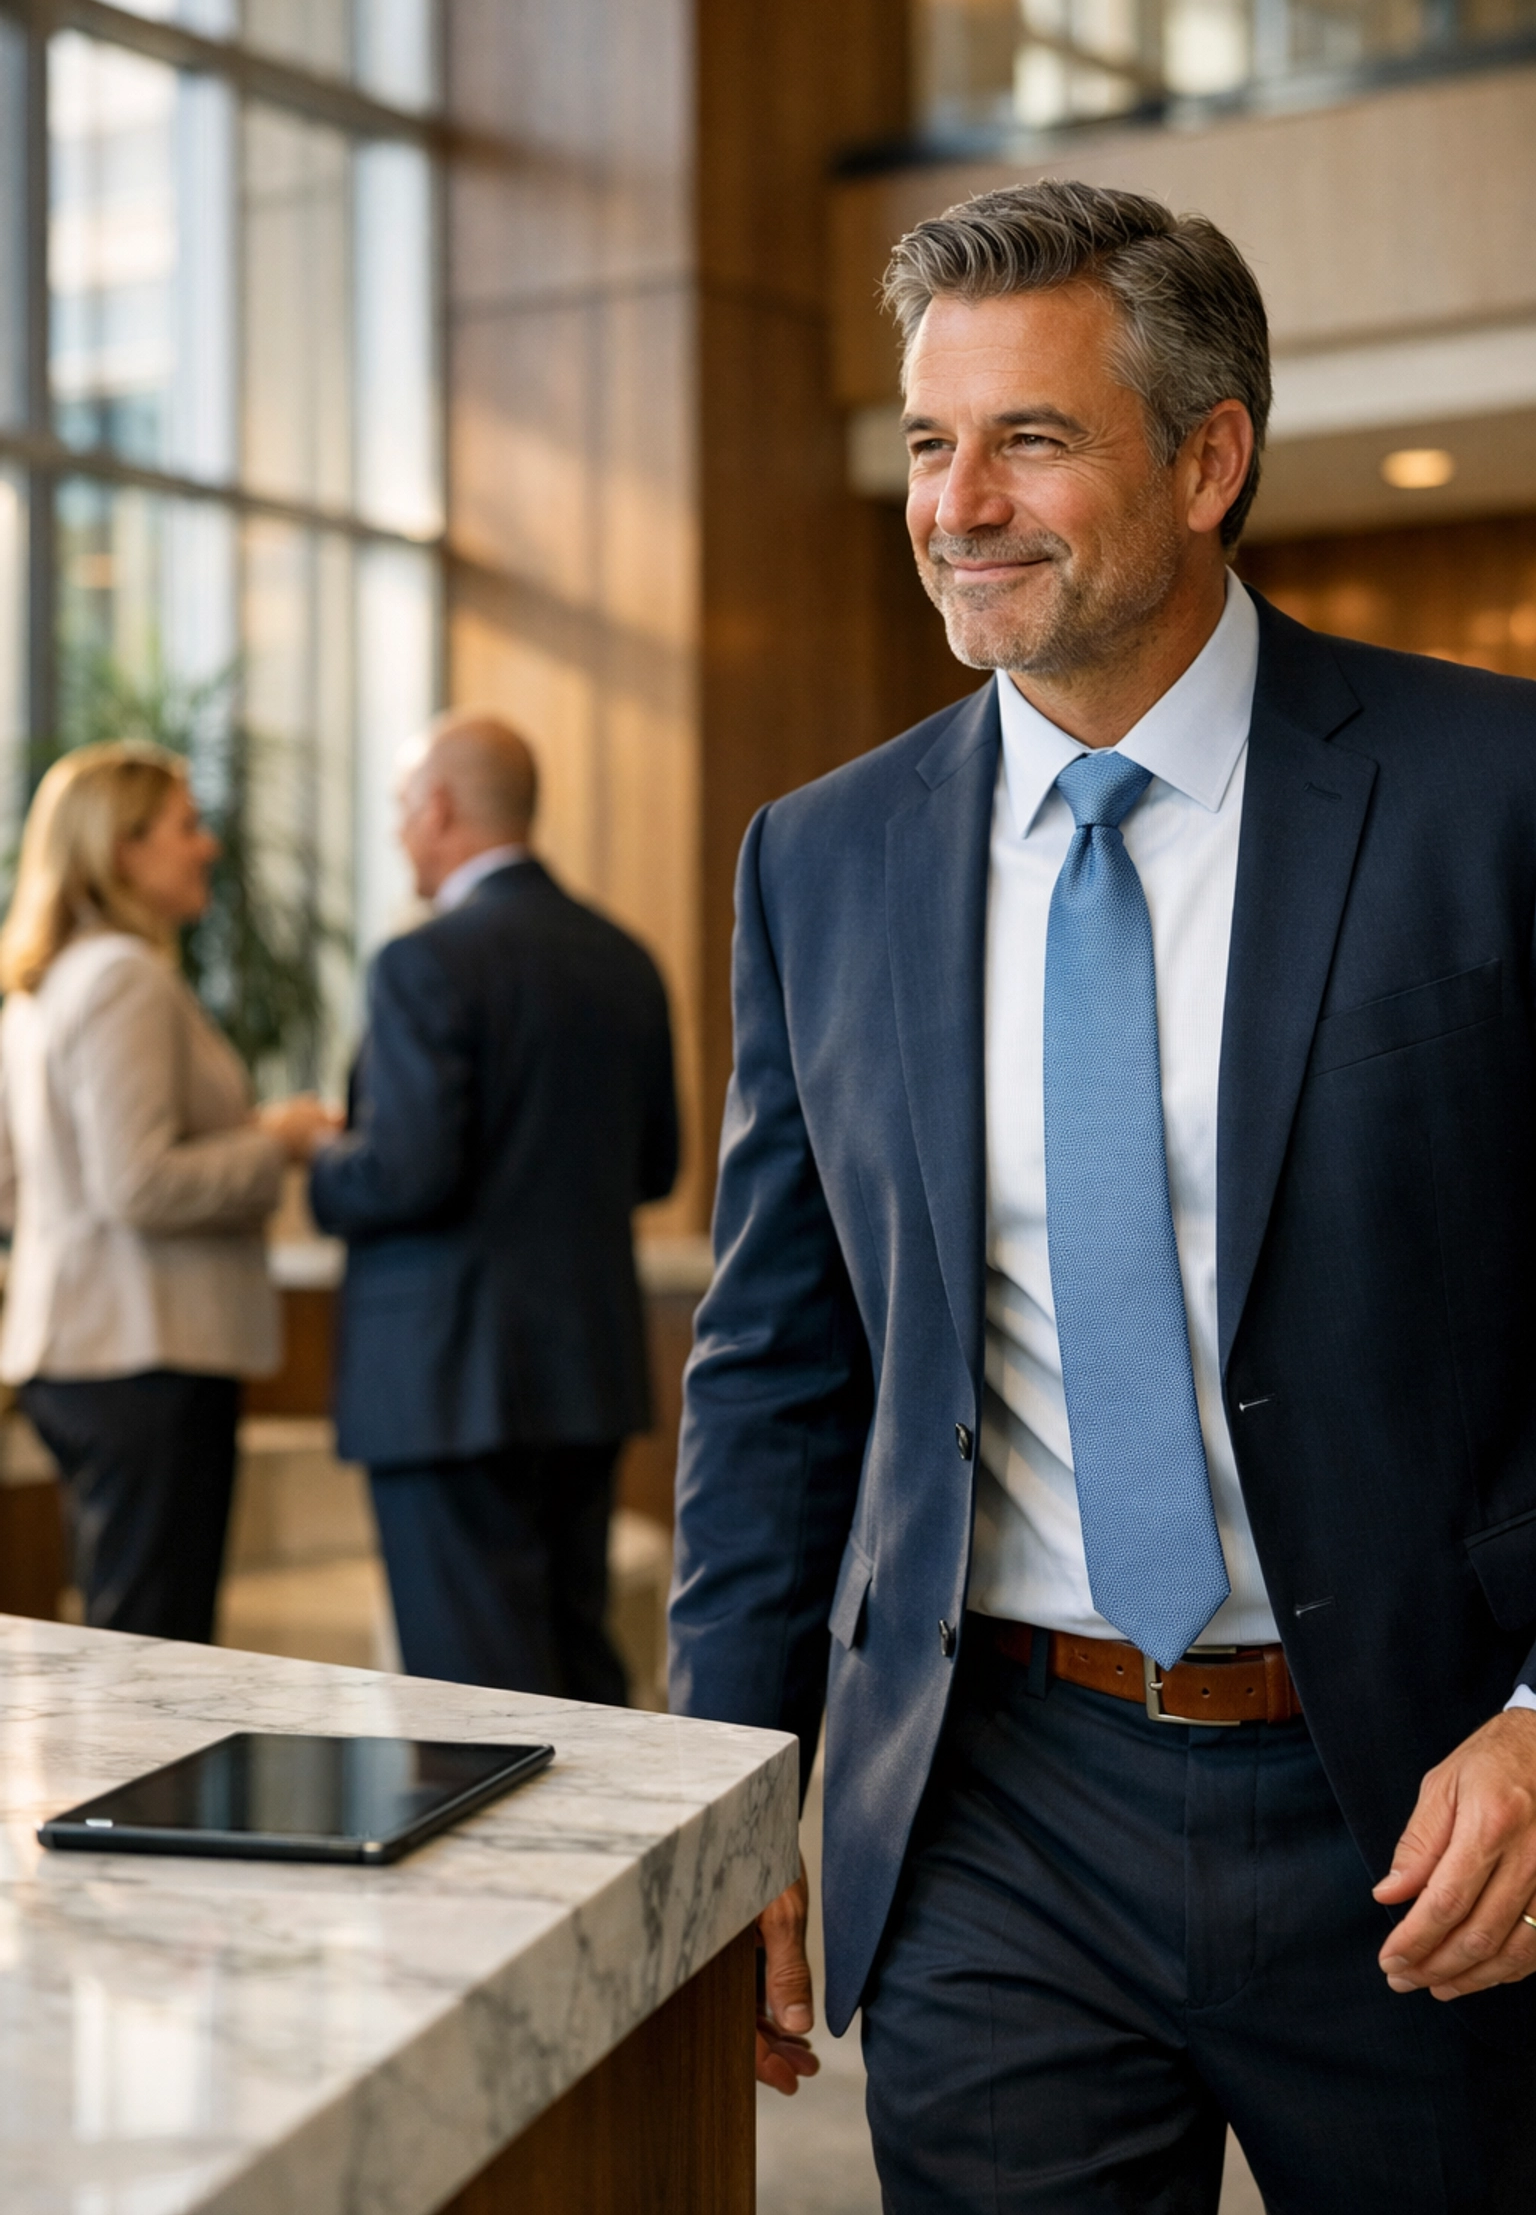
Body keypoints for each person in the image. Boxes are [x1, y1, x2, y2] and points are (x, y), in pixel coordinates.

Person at [668, 180, 1536, 2212]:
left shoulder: (1493, 799)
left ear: (1210, 456)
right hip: (1001, 1808)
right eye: (926, 442)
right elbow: (777, 1373)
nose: (957, 503)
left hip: (1428, 1799)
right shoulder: (823, 856)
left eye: (1031, 438)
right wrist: (733, 1805)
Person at [306, 711, 679, 1700]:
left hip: (444, 1384)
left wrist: (318, 1161)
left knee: (473, 1699)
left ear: (438, 811)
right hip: (581, 1372)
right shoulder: (624, 958)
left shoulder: (422, 963)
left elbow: (407, 1172)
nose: (396, 835)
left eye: (399, 811)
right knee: (574, 1666)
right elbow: (657, 1165)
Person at [0, 743, 329, 1642]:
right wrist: (275, 1140)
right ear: (121, 850)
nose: (208, 847)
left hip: (83, 1352)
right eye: (186, 827)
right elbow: (136, 1182)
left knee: (128, 1638)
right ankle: (146, 1797)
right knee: (153, 1652)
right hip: (141, 1350)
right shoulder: (123, 980)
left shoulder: (43, 986)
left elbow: (11, 1189)